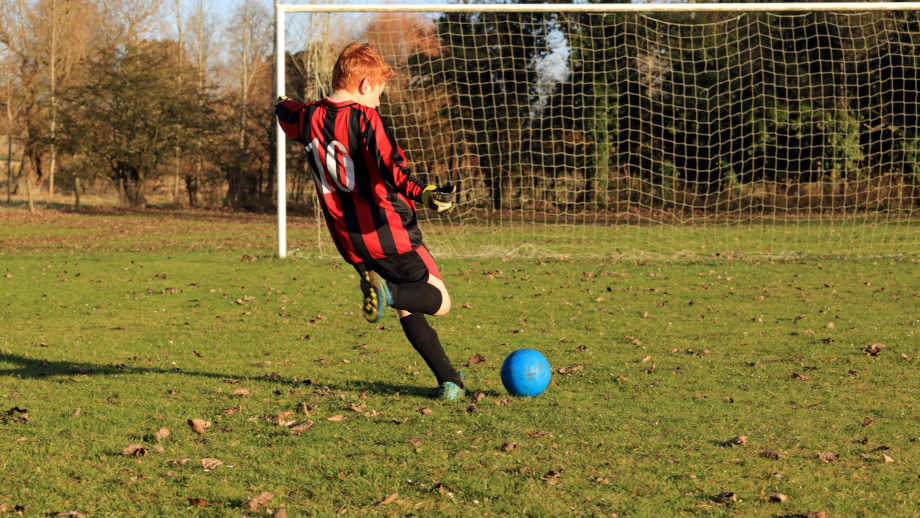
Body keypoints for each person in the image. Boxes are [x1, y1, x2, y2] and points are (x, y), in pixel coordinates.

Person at [275, 42, 465, 400]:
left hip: (349, 241)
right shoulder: (365, 118)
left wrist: (282, 102)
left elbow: (286, 113)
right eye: (378, 89)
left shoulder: (307, 117)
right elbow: (393, 168)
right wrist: (424, 193)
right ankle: (387, 293)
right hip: (387, 231)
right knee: (439, 300)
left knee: (409, 305)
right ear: (364, 85)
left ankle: (450, 381)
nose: (379, 98)